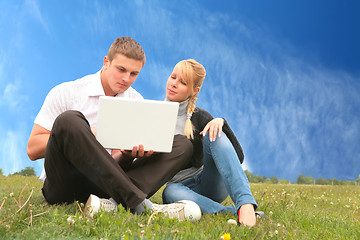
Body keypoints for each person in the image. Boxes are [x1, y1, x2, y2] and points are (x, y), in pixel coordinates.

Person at [26, 37, 199, 220]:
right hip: (63, 185)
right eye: (121, 70)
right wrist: (89, 133)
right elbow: (32, 150)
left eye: (134, 74)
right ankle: (140, 205)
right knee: (69, 120)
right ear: (106, 62)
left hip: (104, 187)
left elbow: (116, 164)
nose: (126, 79)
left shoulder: (135, 102)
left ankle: (110, 205)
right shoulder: (67, 92)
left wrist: (127, 155)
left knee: (181, 144)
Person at [161, 59, 260, 226]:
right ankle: (226, 212)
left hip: (210, 182)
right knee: (169, 192)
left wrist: (221, 123)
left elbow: (239, 158)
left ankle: (245, 204)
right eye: (173, 77)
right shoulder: (155, 115)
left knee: (214, 132)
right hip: (181, 190)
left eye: (183, 82)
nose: (174, 84)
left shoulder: (200, 116)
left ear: (194, 90)